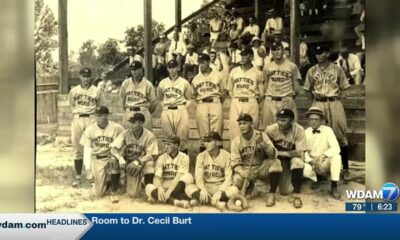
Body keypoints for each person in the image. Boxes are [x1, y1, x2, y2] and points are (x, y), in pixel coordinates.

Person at [303, 45, 351, 182]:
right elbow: (306, 89)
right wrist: (314, 101)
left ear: (327, 53)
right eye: (316, 53)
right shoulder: (312, 70)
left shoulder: (337, 69)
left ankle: (346, 169)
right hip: (319, 103)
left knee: (340, 135)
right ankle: (317, 167)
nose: (318, 55)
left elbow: (346, 88)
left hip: (334, 102)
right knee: (316, 133)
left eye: (321, 52)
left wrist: (341, 97)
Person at [80, 106, 124, 202]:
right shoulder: (90, 129)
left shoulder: (117, 128)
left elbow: (125, 142)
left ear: (106, 116)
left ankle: (114, 191)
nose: (98, 118)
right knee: (98, 193)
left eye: (100, 116)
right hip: (97, 159)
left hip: (111, 156)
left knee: (114, 161)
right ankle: (107, 181)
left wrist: (119, 156)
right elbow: (87, 150)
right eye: (96, 116)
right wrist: (87, 169)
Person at [265, 109, 308, 208]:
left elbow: (299, 153)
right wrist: (287, 153)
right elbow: (267, 151)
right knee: (275, 163)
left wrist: (278, 153)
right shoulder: (270, 129)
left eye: (284, 120)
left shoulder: (299, 130)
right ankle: (271, 194)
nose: (280, 122)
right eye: (279, 120)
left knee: (297, 162)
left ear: (292, 121)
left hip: (290, 161)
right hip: (276, 160)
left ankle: (297, 195)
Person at [185, 132, 239, 211]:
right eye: (205, 141)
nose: (206, 144)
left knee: (235, 190)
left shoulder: (227, 156)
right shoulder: (201, 156)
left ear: (217, 142)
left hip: (220, 186)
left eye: (209, 141)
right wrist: (203, 189)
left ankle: (203, 200)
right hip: (206, 186)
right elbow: (198, 177)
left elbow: (228, 178)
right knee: (188, 188)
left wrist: (220, 192)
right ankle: (216, 203)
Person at [110, 113, 159, 198]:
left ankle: (149, 192)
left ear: (141, 123)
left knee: (149, 164)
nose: (131, 125)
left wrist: (138, 161)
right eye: (130, 122)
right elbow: (112, 149)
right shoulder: (126, 133)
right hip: (127, 162)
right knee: (114, 159)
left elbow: (153, 155)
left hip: (141, 163)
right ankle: (114, 190)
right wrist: (120, 158)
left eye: (133, 122)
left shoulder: (149, 136)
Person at [231, 114, 279, 199]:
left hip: (261, 166)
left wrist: (263, 144)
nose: (242, 126)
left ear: (252, 124)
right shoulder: (236, 141)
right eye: (240, 124)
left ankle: (272, 192)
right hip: (247, 169)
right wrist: (242, 172)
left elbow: (273, 155)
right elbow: (235, 162)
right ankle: (251, 186)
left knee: (276, 163)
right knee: (237, 179)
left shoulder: (261, 135)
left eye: (245, 123)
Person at [68, 67, 101, 187]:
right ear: (80, 77)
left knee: (91, 147)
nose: (86, 79)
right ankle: (78, 177)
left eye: (88, 76)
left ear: (90, 77)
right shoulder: (74, 91)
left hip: (91, 118)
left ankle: (92, 176)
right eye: (84, 76)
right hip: (78, 118)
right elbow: (71, 104)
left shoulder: (96, 90)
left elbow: (99, 105)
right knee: (77, 148)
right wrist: (77, 113)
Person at [145, 135, 194, 208]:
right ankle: (175, 201)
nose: (165, 147)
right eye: (165, 144)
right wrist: (159, 187)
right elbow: (157, 177)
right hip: (164, 186)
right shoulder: (161, 158)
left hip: (177, 187)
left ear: (176, 145)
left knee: (188, 177)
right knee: (148, 187)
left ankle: (158, 197)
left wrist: (169, 191)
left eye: (168, 144)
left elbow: (178, 177)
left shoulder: (184, 157)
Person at [304, 106, 341, 200]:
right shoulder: (305, 132)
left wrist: (322, 156)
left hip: (323, 161)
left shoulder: (328, 130)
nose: (313, 121)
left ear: (321, 120)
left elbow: (336, 147)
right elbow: (302, 151)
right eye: (311, 119)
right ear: (308, 121)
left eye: (316, 119)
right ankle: (315, 179)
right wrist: (311, 161)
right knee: (303, 167)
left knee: (336, 157)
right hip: (311, 163)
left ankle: (334, 186)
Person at [227, 47, 264, 140]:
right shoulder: (234, 71)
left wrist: (253, 100)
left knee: (251, 128)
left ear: (251, 57)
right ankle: (235, 152)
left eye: (245, 55)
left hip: (251, 101)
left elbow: (262, 93)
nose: (242, 58)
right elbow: (229, 89)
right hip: (237, 101)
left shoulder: (258, 73)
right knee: (235, 128)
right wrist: (235, 99)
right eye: (241, 55)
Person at [261, 41, 301, 129]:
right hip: (271, 100)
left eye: (278, 49)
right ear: (271, 52)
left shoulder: (292, 66)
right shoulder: (267, 67)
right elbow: (265, 84)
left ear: (283, 51)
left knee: (290, 128)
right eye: (274, 50)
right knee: (269, 129)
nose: (276, 52)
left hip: (286, 99)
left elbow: (296, 86)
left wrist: (289, 97)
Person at [191, 53, 225, 152]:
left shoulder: (218, 75)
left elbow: (223, 93)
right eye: (199, 63)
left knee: (217, 131)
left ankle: (219, 156)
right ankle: (203, 156)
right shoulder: (196, 79)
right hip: (202, 103)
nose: (200, 65)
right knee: (203, 132)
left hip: (215, 102)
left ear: (209, 62)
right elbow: (194, 95)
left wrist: (218, 102)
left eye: (203, 63)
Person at [158, 59, 193, 154]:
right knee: (168, 136)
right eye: (170, 68)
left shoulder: (184, 82)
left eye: (174, 68)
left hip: (180, 109)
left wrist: (184, 108)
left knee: (182, 136)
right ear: (167, 69)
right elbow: (160, 99)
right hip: (167, 110)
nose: (172, 70)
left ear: (178, 68)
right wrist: (165, 107)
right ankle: (170, 160)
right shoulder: (162, 83)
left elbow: (189, 98)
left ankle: (182, 160)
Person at [119, 61, 157, 131]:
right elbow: (123, 98)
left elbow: (154, 103)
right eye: (132, 70)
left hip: (143, 112)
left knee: (145, 136)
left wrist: (146, 112)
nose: (134, 72)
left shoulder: (148, 84)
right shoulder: (126, 83)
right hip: (129, 112)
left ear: (141, 70)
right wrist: (126, 111)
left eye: (136, 69)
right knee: (128, 137)